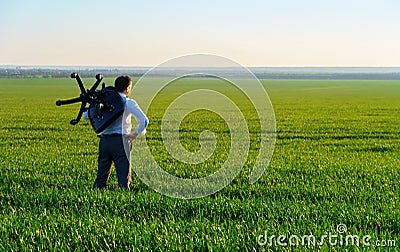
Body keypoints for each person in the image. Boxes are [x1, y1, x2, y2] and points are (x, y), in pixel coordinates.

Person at [85, 75, 148, 190]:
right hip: (121, 141)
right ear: (128, 88)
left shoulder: (104, 101)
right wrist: (134, 134)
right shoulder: (129, 103)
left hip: (104, 142)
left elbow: (86, 115)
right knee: (123, 177)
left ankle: (97, 197)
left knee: (101, 177)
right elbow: (144, 121)